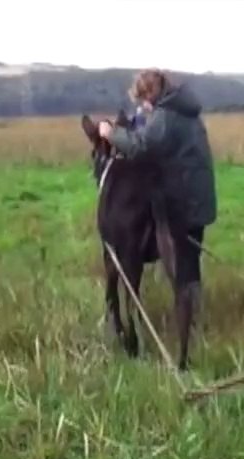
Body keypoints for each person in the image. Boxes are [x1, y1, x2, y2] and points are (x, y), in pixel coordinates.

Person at [98, 69, 217, 324]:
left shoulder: (166, 116)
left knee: (182, 266)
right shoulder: (185, 110)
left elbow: (142, 147)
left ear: (150, 93)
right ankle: (194, 318)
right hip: (198, 198)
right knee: (189, 262)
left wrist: (111, 134)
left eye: (142, 100)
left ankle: (187, 326)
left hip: (182, 202)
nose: (142, 106)